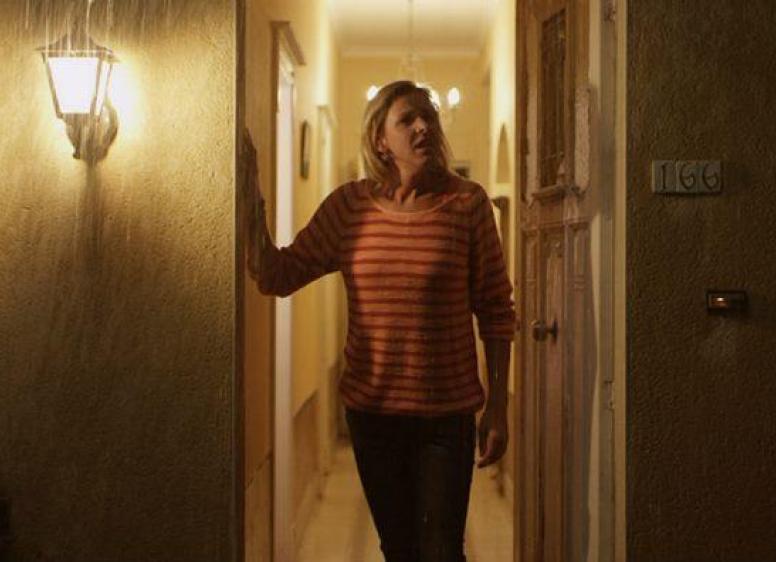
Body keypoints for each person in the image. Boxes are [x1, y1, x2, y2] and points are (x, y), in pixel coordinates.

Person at [241, 80, 516, 562]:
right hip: (373, 417)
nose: (423, 125)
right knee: (400, 550)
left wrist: (497, 406)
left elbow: (496, 308)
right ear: (379, 139)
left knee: (441, 551)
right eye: (407, 118)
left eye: (429, 116)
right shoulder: (349, 207)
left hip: (445, 417)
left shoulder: (467, 204)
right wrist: (248, 192)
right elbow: (277, 275)